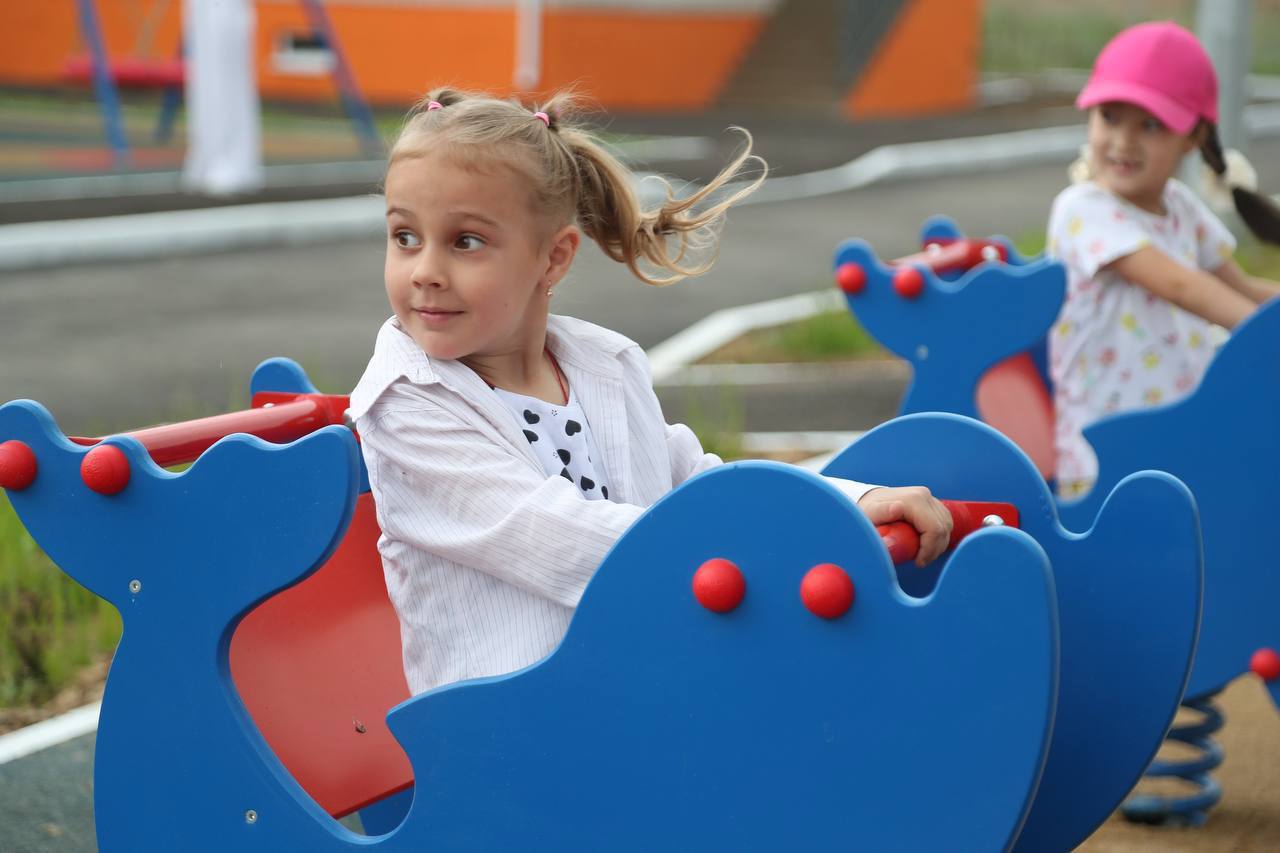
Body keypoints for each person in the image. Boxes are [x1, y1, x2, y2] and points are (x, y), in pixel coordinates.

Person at [349, 88, 953, 695]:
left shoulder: (600, 367)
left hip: (634, 690)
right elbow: (562, 540)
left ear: (553, 258)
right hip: (511, 729)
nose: (424, 269)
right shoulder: (405, 403)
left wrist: (848, 502)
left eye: (465, 242)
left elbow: (695, 480)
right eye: (405, 237)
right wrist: (781, 539)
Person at [1047, 21, 1280, 498]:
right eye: (1110, 116)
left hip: (1181, 436)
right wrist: (1265, 334)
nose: (1124, 141)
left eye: (1150, 125)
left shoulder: (1181, 207)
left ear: (1193, 137)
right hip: (1103, 454)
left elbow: (1245, 290)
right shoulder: (1084, 210)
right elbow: (1180, 286)